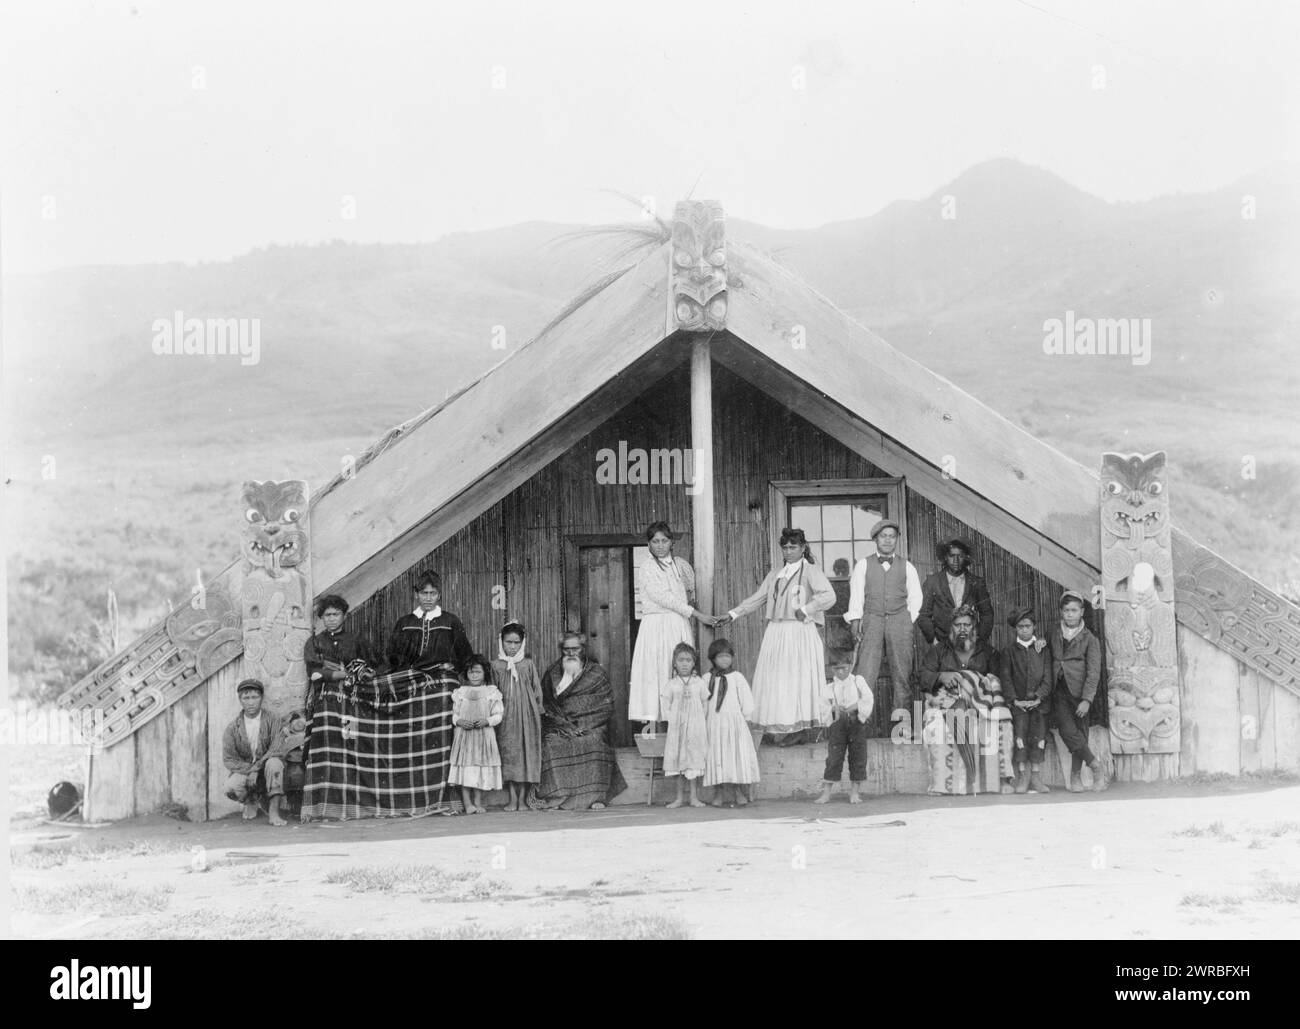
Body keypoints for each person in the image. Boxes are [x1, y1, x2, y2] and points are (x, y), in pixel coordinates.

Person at [301, 571, 473, 820]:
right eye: (423, 593)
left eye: (432, 593)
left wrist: (453, 670)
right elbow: (390, 661)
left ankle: (438, 797)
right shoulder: (405, 623)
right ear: (416, 594)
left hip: (437, 690)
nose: (427, 598)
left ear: (439, 594)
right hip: (405, 686)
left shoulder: (450, 621)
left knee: (435, 740)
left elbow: (464, 654)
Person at [717, 527, 836, 743]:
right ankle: (782, 729)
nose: (789, 551)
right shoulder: (775, 574)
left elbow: (829, 596)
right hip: (776, 632)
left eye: (794, 547)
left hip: (799, 632)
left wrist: (807, 609)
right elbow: (757, 598)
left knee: (796, 680)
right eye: (785, 547)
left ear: (803, 548)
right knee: (777, 681)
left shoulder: (811, 571)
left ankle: (799, 730)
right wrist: (733, 613)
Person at [628, 522, 716, 727]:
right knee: (658, 671)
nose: (660, 545)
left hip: (677, 623)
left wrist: (691, 606)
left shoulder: (679, 565)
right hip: (656, 625)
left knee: (679, 668)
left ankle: (682, 724)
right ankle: (660, 726)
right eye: (655, 541)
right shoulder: (647, 567)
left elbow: (687, 593)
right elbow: (664, 598)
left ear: (671, 542)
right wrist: (697, 615)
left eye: (664, 541)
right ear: (649, 544)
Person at [537, 632, 628, 810]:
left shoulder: (597, 673)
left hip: (592, 726)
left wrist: (583, 725)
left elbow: (605, 705)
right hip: (560, 727)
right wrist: (564, 725)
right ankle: (558, 797)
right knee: (551, 743)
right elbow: (545, 705)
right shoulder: (552, 673)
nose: (571, 653)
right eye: (566, 649)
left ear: (583, 649)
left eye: (575, 649)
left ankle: (596, 798)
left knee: (593, 742)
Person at [846, 519, 922, 723]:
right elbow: (856, 596)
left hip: (900, 620)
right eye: (883, 536)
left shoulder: (907, 566)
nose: (888, 540)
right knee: (865, 673)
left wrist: (906, 619)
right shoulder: (863, 564)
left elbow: (916, 598)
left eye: (892, 536)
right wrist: (855, 620)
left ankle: (902, 723)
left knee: (902, 672)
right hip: (872, 619)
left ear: (897, 539)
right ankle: (861, 723)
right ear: (876, 539)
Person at [1048, 590, 1107, 793]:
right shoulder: (1054, 632)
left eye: (1074, 610)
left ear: (1082, 612)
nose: (1070, 615)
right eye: (1066, 611)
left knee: (1080, 733)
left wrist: (1087, 700)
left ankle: (1075, 777)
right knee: (1067, 730)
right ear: (1061, 612)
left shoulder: (1090, 639)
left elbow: (1093, 673)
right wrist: (1040, 643)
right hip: (1059, 691)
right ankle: (1096, 766)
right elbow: (1046, 649)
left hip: (1080, 692)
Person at [999, 608, 1052, 794]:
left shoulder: (1043, 649)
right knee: (1020, 737)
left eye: (1028, 626)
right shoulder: (1009, 651)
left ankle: (1036, 777)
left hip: (1039, 704)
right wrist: (1015, 700)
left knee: (1039, 738)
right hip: (1019, 705)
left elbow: (1048, 676)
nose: (1024, 630)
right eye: (1020, 627)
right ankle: (1022, 776)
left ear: (1034, 626)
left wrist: (1039, 697)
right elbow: (1006, 678)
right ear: (1015, 629)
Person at [492, 621, 544, 811]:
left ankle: (522, 799)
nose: (512, 647)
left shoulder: (528, 664)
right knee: (509, 755)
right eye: (508, 642)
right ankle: (512, 798)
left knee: (525, 755)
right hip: (506, 718)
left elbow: (537, 691)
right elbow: (493, 692)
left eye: (516, 643)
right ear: (501, 642)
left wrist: (537, 713)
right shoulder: (496, 665)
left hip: (527, 717)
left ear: (522, 643)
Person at [702, 638, 760, 808]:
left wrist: (746, 718)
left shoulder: (737, 677)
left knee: (734, 757)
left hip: (734, 725)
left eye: (728, 656)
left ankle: (737, 792)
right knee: (717, 757)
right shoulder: (706, 678)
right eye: (720, 656)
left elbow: (747, 702)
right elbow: (704, 702)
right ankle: (718, 792)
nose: (725, 660)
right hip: (714, 724)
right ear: (713, 658)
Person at [221, 678, 287, 825]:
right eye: (246, 698)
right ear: (240, 700)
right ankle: (251, 801)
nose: (250, 702)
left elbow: (277, 749)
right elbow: (229, 759)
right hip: (247, 772)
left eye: (254, 697)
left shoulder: (273, 720)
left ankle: (274, 811)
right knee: (229, 788)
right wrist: (250, 770)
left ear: (261, 698)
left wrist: (256, 769)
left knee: (275, 763)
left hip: (268, 769)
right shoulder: (233, 728)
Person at [815, 651, 874, 804]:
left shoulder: (858, 681)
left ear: (850, 666)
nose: (841, 672)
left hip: (856, 723)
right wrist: (833, 709)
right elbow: (822, 706)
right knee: (834, 758)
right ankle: (826, 793)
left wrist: (856, 706)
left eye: (844, 668)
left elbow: (868, 698)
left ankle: (854, 793)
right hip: (838, 725)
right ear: (831, 669)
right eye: (836, 669)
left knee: (858, 757)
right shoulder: (829, 688)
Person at [303, 594, 376, 715]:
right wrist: (344, 674)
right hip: (325, 699)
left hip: (354, 698)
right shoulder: (314, 642)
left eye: (336, 614)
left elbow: (374, 666)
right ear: (322, 617)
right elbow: (313, 673)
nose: (331, 619)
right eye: (327, 615)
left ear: (344, 616)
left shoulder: (357, 640)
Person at [449, 655, 504, 814]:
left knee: (479, 770)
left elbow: (498, 715)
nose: (474, 675)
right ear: (466, 673)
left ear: (484, 673)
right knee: (467, 770)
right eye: (471, 672)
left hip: (483, 737)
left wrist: (487, 721)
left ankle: (478, 802)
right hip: (465, 737)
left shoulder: (491, 692)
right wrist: (459, 721)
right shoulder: (460, 692)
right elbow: (454, 714)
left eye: (478, 672)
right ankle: (467, 804)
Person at [916, 538, 995, 647]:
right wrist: (934, 641)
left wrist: (978, 639)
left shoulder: (976, 582)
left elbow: (987, 614)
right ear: (945, 557)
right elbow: (924, 615)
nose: (956, 560)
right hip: (942, 643)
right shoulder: (933, 582)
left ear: (966, 557)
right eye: (952, 556)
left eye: (960, 556)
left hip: (970, 643)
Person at [662, 642, 708, 809]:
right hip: (677, 729)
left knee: (693, 761)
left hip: (695, 728)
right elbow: (665, 704)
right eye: (681, 660)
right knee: (678, 763)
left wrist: (699, 721)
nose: (684, 663)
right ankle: (679, 798)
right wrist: (673, 720)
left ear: (693, 663)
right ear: (675, 662)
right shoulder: (672, 684)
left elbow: (705, 703)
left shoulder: (699, 683)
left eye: (688, 660)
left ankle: (694, 798)